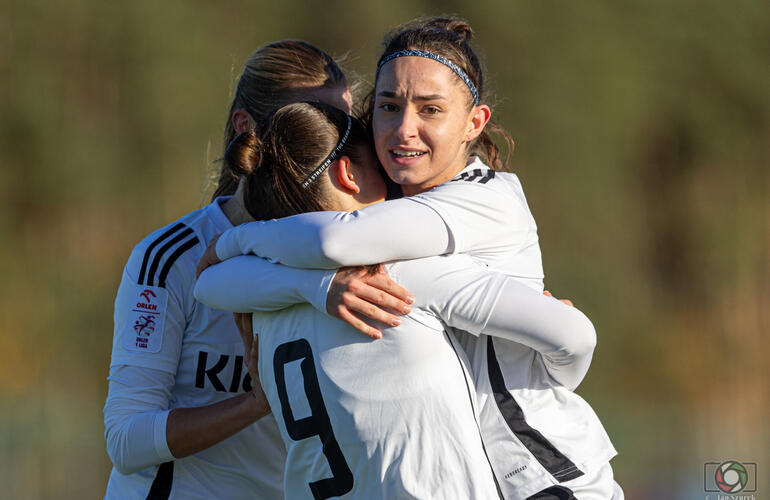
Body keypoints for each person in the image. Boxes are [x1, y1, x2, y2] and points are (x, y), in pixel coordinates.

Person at [199, 18, 622, 500]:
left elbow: (333, 244)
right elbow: (212, 285)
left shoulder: (485, 201)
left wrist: (237, 239)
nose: (404, 129)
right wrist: (315, 288)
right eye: (389, 106)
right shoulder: (386, 220)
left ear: (474, 123)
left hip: (543, 472)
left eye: (431, 109)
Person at [102, 40, 411, 499]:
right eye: (306, 124)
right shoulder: (171, 259)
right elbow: (126, 441)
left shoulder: (361, 255)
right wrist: (256, 403)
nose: (332, 147)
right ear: (247, 129)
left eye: (345, 127)